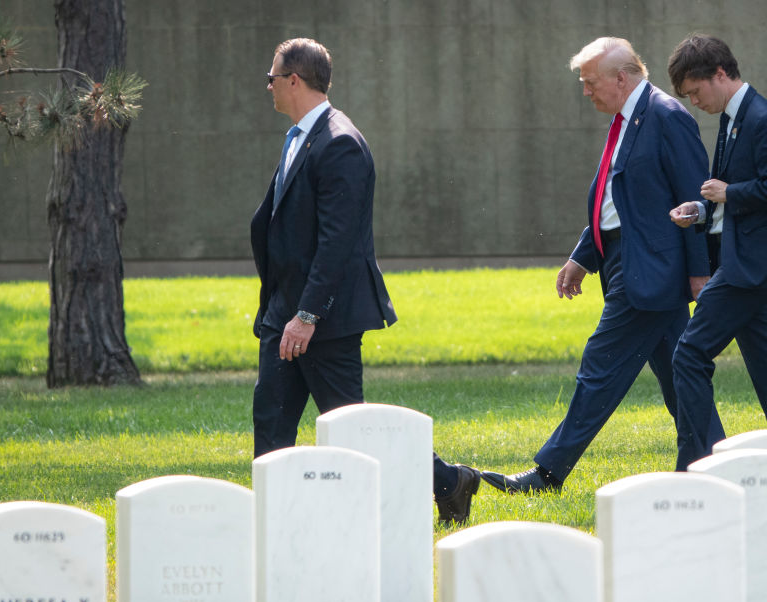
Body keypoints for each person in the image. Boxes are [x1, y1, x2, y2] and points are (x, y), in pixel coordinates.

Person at [251, 38, 479, 523]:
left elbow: (339, 243)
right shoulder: (299, 137)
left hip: (322, 318)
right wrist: (280, 310)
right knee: (270, 417)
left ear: (293, 80)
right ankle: (273, 520)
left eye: (271, 77)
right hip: (283, 313)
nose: (267, 86)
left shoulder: (340, 144)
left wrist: (308, 315)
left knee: (355, 425)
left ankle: (448, 481)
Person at [481, 37, 714, 494]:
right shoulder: (626, 119)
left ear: (621, 78)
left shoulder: (667, 117)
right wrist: (582, 257)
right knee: (680, 375)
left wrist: (699, 273)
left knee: (599, 368)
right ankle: (711, 462)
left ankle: (548, 474)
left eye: (590, 82)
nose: (585, 91)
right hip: (633, 263)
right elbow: (620, 204)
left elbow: (695, 201)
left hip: (650, 272)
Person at [668, 33, 767, 471]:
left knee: (689, 354)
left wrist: (732, 193)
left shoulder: (761, 117)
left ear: (719, 74)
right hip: (747, 261)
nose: (694, 102)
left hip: (749, 266)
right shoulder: (735, 118)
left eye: (695, 91)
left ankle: (695, 464)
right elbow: (726, 189)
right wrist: (700, 207)